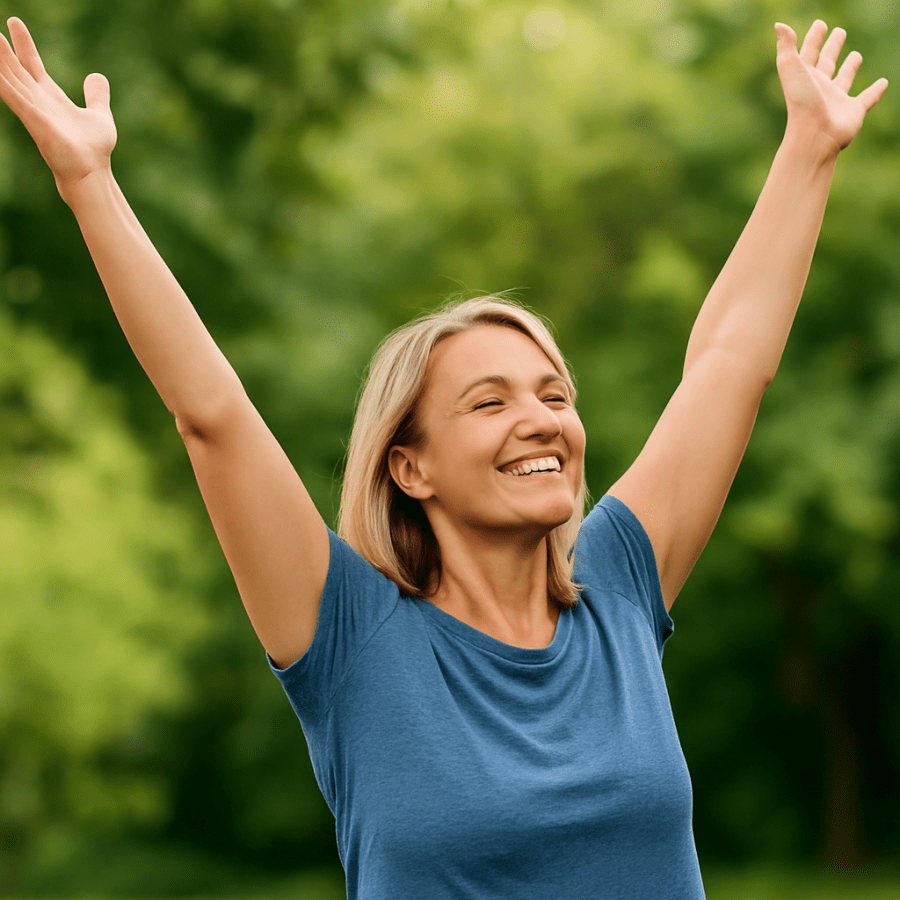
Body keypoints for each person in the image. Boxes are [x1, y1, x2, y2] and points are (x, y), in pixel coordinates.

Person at [0, 13, 887, 899]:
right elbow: (213, 415)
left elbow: (730, 363)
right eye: (489, 401)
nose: (541, 419)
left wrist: (807, 150)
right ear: (408, 466)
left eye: (555, 394)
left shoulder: (618, 583)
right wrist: (89, 183)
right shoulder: (351, 637)